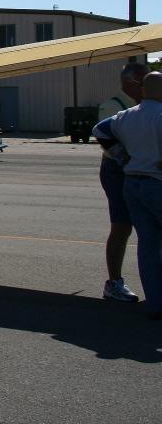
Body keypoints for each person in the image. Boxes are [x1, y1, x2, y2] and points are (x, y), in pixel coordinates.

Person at [93, 71, 162, 319]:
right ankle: (117, 283)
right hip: (143, 179)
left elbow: (101, 130)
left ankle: (155, 301)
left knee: (148, 243)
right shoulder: (121, 107)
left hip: (133, 179)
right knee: (133, 233)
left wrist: (128, 157)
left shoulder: (128, 113)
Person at [95, 63, 148, 303]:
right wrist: (130, 159)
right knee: (122, 225)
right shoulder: (113, 107)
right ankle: (114, 282)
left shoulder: (145, 107)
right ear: (130, 84)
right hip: (118, 171)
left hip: (140, 170)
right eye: (144, 83)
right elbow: (106, 138)